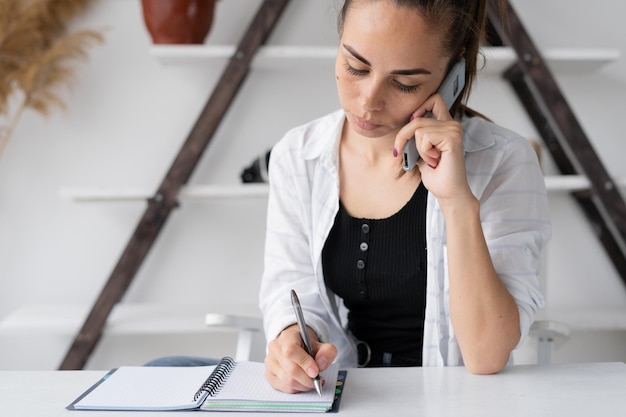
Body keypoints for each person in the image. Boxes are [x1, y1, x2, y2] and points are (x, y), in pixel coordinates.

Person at [259, 0, 551, 395]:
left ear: (453, 74)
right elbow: (293, 291)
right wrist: (293, 339)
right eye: (355, 67)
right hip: (347, 395)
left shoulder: (502, 161)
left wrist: (457, 200)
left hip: (453, 402)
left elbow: (486, 355)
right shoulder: (299, 154)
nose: (367, 101)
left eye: (405, 83)